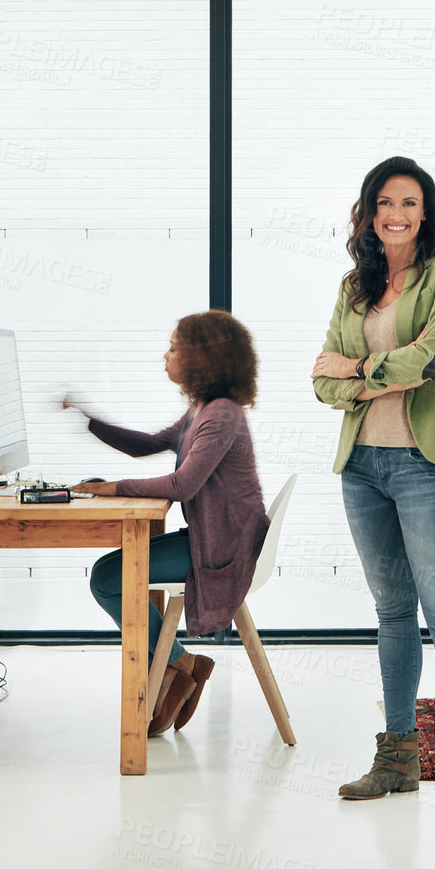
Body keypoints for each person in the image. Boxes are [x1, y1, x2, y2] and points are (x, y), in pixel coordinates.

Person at [310, 156, 435, 828]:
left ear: (426, 215)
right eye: (385, 202)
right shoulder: (354, 285)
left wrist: (359, 367)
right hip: (363, 465)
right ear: (369, 210)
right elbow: (320, 381)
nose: (397, 214)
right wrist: (379, 376)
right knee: (392, 613)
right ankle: (397, 759)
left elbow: (433, 358)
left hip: (427, 463)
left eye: (410, 204)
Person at [69, 310, 270, 737]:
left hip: (225, 550)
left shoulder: (221, 415)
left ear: (201, 359)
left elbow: (183, 484)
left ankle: (178, 664)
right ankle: (183, 663)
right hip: (211, 538)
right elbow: (147, 446)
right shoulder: (203, 409)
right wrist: (88, 420)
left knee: (108, 577)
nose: (166, 356)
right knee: (110, 573)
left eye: (174, 349)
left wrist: (112, 489)